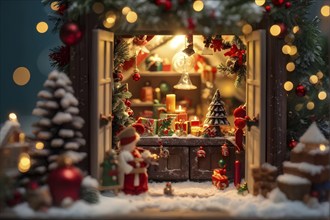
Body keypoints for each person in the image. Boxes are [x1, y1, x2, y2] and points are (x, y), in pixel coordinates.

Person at [117, 126, 151, 195]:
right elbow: (123, 165)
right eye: (134, 143)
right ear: (129, 144)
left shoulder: (135, 150)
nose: (135, 145)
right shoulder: (124, 154)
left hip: (139, 175)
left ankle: (141, 189)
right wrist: (134, 170)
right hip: (131, 176)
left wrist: (146, 158)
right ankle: (130, 191)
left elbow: (142, 157)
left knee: (139, 182)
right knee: (131, 183)